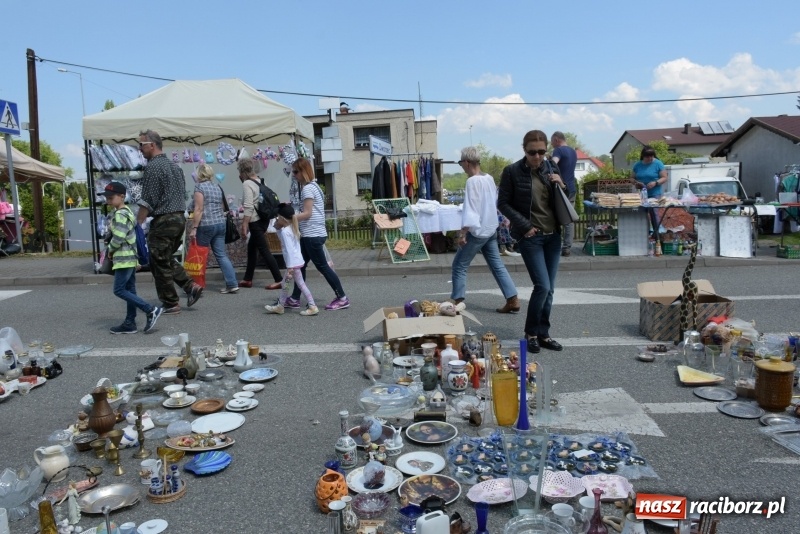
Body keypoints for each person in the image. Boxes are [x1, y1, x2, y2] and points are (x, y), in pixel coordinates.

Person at [498, 130, 567, 354]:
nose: (537, 156)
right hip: (531, 237)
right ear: (524, 149)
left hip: (553, 236)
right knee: (542, 286)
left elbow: (567, 199)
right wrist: (525, 226)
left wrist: (562, 184)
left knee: (550, 290)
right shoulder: (512, 171)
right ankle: (531, 333)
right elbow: (503, 203)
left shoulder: (551, 167)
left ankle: (544, 333)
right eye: (532, 152)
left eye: (541, 152)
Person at [137, 129, 203, 314]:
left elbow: (147, 200)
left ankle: (171, 302)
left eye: (141, 145)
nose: (139, 149)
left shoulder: (152, 167)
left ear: (151, 144)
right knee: (164, 258)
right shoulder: (175, 166)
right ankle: (191, 287)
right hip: (178, 219)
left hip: (164, 219)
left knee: (158, 260)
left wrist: (137, 224)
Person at [450, 146, 519, 314]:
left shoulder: (472, 181)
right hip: (491, 228)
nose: (462, 167)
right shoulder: (488, 178)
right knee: (497, 265)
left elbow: (471, 210)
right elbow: (492, 203)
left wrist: (463, 233)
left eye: (461, 163)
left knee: (459, 265)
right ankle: (512, 299)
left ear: (467, 162)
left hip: (478, 231)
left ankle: (458, 301)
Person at [286, 157, 350, 311]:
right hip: (311, 234)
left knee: (322, 267)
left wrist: (289, 218)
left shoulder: (308, 188)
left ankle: (342, 297)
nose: (294, 175)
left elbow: (307, 213)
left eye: (296, 172)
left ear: (304, 171)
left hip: (312, 234)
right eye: (292, 172)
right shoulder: (314, 187)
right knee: (299, 267)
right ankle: (295, 298)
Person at [103, 182, 162, 334]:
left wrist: (109, 250)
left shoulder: (120, 214)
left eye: (111, 197)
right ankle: (130, 322)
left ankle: (150, 310)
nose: (108, 200)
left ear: (122, 196)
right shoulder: (128, 212)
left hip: (123, 258)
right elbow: (132, 237)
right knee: (130, 290)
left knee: (119, 290)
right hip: (130, 257)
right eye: (107, 198)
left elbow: (119, 236)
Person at [189, 164, 239, 294]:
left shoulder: (199, 187)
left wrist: (194, 228)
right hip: (220, 224)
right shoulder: (217, 187)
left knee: (200, 255)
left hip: (206, 224)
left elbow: (198, 209)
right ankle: (232, 283)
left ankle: (197, 285)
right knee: (221, 255)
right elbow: (223, 206)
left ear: (200, 174)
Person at [264, 203, 318, 316]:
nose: (277, 219)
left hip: (292, 264)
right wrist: (277, 227)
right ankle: (280, 305)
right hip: (296, 262)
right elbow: (284, 241)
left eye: (278, 217)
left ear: (282, 218)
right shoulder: (292, 228)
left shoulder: (285, 231)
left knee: (301, 285)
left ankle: (312, 306)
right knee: (285, 284)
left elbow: (288, 250)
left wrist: (289, 268)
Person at [237, 158, 283, 290]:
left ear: (242, 171)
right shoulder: (261, 181)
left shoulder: (247, 184)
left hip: (255, 221)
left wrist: (244, 224)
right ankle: (247, 278)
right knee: (252, 248)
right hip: (264, 219)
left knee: (264, 250)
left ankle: (279, 279)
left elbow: (248, 206)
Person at [550, 131, 578, 256]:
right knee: (569, 219)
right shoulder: (573, 151)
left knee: (555, 217)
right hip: (572, 187)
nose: (551, 144)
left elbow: (553, 163)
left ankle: (554, 245)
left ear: (556, 140)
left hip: (561, 188)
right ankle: (567, 247)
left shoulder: (558, 150)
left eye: (551, 141)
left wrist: (549, 161)